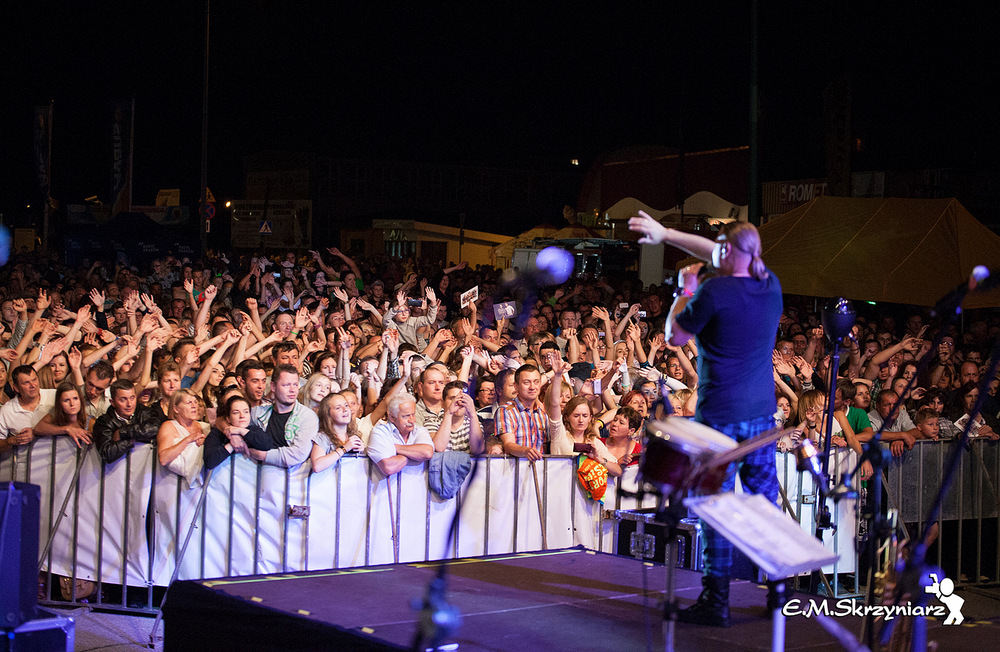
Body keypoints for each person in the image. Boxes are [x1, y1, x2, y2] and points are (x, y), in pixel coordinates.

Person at [629, 213, 782, 627]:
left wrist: (685, 290)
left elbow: (673, 337)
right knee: (765, 503)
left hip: (720, 419)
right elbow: (721, 251)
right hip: (762, 416)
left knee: (716, 506)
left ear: (729, 250)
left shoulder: (714, 290)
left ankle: (717, 599)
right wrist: (666, 235)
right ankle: (780, 589)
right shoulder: (770, 284)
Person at [246, 364, 319, 467]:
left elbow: (298, 455)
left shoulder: (307, 417)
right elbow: (228, 420)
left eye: (295, 384)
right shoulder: (258, 413)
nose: (292, 390)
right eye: (286, 385)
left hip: (293, 475)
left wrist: (262, 455)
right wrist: (231, 433)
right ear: (273, 386)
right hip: (255, 474)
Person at [92, 379, 161, 464]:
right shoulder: (104, 422)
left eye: (132, 398)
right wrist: (133, 439)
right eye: (123, 399)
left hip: (146, 467)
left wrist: (122, 433)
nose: (129, 404)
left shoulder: (145, 412)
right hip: (117, 470)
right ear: (112, 402)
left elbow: (155, 428)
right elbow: (107, 453)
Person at [366, 394, 434, 476]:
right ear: (392, 417)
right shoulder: (380, 432)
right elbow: (389, 467)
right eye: (406, 416)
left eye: (413, 414)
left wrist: (395, 448)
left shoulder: (419, 430)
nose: (412, 420)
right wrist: (412, 455)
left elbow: (427, 452)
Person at [156, 389, 210, 486]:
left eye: (195, 402)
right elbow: (163, 459)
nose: (194, 406)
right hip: (174, 486)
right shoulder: (169, 426)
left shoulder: (206, 427)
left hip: (203, 485)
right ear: (176, 409)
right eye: (189, 403)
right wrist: (188, 439)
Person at [0, 366, 57, 455]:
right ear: (16, 388)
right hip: (24, 462)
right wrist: (11, 440)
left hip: (57, 460)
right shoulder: (7, 410)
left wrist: (35, 432)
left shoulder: (55, 396)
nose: (33, 385)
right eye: (26, 383)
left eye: (34, 380)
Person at [310, 393, 365, 473]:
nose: (345, 409)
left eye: (346, 405)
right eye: (338, 408)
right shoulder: (323, 437)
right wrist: (344, 448)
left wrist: (362, 452)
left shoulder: (353, 435)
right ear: (328, 414)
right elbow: (317, 466)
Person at [33, 381, 93, 448]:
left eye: (75, 398)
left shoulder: (90, 421)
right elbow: (38, 428)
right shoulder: (55, 416)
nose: (72, 404)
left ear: (80, 400)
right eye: (66, 400)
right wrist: (67, 429)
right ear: (59, 403)